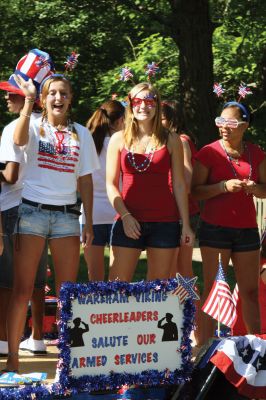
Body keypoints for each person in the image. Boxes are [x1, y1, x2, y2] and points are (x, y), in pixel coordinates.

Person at [3, 73, 99, 373]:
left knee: (66, 291)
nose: (58, 98)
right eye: (52, 93)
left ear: (71, 99)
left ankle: (66, 362)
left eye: (64, 93)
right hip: (31, 212)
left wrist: (89, 221)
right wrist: (28, 100)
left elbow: (85, 179)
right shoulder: (31, 124)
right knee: (22, 289)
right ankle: (14, 361)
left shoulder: (81, 133)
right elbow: (17, 142)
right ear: (44, 99)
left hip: (68, 217)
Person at [191, 101, 266, 345]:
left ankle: (256, 349)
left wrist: (256, 188)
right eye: (220, 122)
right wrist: (223, 187)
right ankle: (204, 352)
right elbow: (196, 191)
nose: (224, 127)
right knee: (214, 290)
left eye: (230, 123)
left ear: (244, 126)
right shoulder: (209, 152)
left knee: (250, 292)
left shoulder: (256, 153)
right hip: (215, 228)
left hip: (247, 230)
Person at [106, 82, 194, 283]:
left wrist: (186, 224)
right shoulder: (118, 139)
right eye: (137, 101)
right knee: (116, 288)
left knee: (158, 290)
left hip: (165, 222)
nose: (143, 106)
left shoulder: (172, 139)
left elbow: (180, 185)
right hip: (128, 220)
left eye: (149, 101)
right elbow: (111, 185)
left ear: (157, 104)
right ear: (130, 105)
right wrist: (126, 216)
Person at [0, 49, 54, 356]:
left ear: (27, 95)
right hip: (41, 209)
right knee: (35, 276)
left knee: (7, 280)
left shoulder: (13, 129)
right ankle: (36, 337)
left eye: (12, 94)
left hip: (11, 208)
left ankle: (5, 339)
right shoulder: (48, 127)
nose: (7, 98)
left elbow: (11, 174)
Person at [80, 100, 125, 281]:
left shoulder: (86, 143)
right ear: (121, 120)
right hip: (119, 211)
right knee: (119, 280)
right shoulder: (123, 144)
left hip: (91, 214)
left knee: (94, 279)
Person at [161, 101, 200, 279]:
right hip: (170, 211)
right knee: (170, 270)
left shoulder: (181, 141)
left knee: (182, 270)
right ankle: (177, 306)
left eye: (161, 119)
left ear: (172, 119)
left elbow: (188, 180)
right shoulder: (169, 141)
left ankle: (192, 307)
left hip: (181, 211)